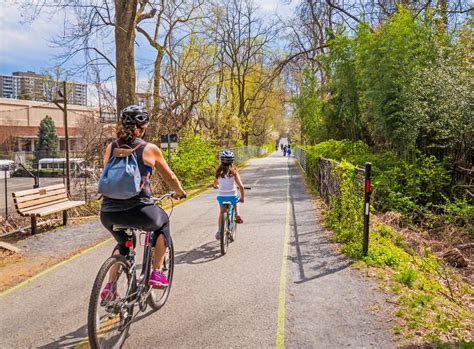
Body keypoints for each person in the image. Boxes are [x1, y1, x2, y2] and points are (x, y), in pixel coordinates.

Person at [100, 105, 186, 296]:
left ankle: (109, 287)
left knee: (124, 244)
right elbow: (169, 177)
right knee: (162, 222)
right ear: (144, 127)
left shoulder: (111, 147)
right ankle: (156, 272)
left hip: (108, 212)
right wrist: (179, 191)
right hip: (140, 211)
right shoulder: (150, 149)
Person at [213, 150, 245, 240]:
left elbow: (215, 184)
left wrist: (216, 186)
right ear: (232, 160)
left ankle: (219, 231)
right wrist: (242, 197)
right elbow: (241, 186)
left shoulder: (218, 172)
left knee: (222, 212)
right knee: (237, 200)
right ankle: (237, 214)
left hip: (222, 197)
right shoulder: (234, 171)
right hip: (232, 196)